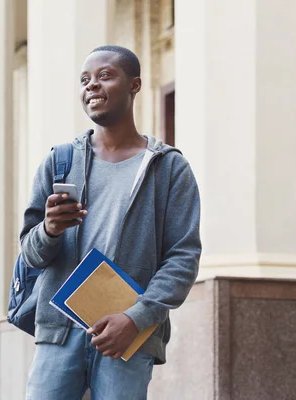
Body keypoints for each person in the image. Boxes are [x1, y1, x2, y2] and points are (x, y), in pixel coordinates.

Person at [21, 45, 201, 399]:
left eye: (105, 76)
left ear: (134, 85)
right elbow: (30, 254)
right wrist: (49, 230)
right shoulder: (59, 161)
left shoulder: (168, 168)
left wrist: (136, 318)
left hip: (127, 335)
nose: (92, 86)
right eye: (85, 80)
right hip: (59, 332)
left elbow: (183, 258)